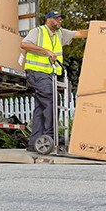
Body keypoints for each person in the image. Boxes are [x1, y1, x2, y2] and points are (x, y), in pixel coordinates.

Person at [20, 10, 87, 151]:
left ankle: (34, 143)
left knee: (41, 107)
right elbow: (24, 44)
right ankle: (49, 135)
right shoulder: (38, 31)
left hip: (50, 75)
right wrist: (46, 51)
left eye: (61, 19)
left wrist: (98, 29)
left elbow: (79, 34)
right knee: (53, 98)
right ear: (49, 19)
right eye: (57, 18)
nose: (60, 21)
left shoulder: (61, 34)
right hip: (36, 73)